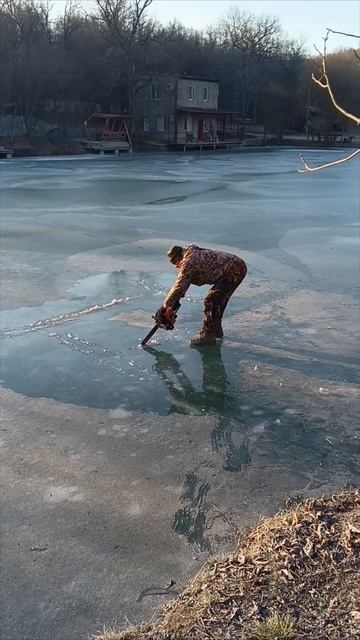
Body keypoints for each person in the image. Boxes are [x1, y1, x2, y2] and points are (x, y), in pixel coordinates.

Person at [155, 244, 247, 346]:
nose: (177, 267)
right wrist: (174, 302)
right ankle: (215, 330)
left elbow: (179, 286)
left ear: (179, 258)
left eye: (176, 264)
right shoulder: (191, 255)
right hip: (235, 266)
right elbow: (185, 282)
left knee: (212, 300)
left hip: (233, 270)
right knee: (217, 300)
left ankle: (207, 334)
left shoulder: (188, 263)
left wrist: (165, 306)